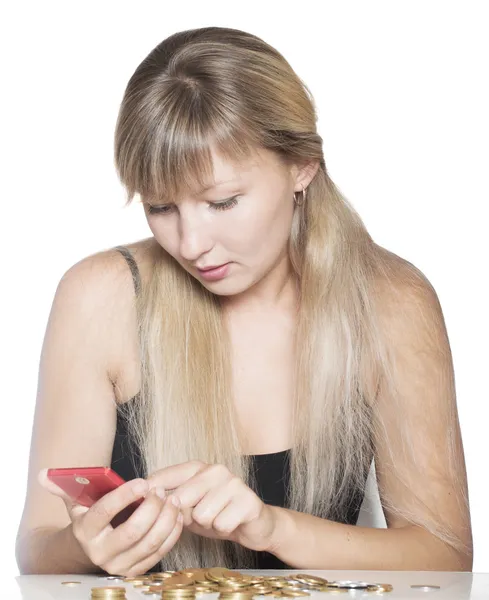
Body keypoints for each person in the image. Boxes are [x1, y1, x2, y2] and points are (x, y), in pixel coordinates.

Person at [15, 26, 472, 577]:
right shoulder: (101, 297)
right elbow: (38, 548)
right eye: (160, 208)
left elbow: (444, 556)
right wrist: (85, 547)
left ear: (302, 165)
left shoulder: (390, 304)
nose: (190, 244)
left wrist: (273, 528)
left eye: (222, 201)